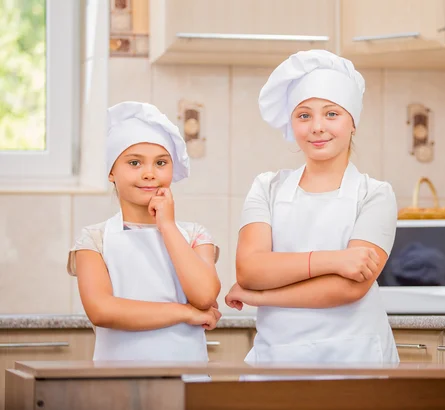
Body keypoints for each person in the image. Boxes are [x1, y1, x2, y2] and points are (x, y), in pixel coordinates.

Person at [225, 49, 399, 366]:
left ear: (353, 122)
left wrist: (262, 296)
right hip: (278, 360)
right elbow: (250, 270)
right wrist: (336, 259)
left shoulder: (375, 195)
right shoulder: (267, 188)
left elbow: (349, 289)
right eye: (304, 115)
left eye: (331, 113)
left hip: (355, 361)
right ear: (292, 125)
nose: (317, 126)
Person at [67, 101, 221, 362]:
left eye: (161, 163)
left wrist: (168, 226)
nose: (149, 173)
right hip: (117, 389)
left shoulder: (195, 235)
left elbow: (205, 296)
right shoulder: (94, 240)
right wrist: (185, 312)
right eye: (135, 163)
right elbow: (102, 311)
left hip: (188, 385)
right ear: (111, 172)